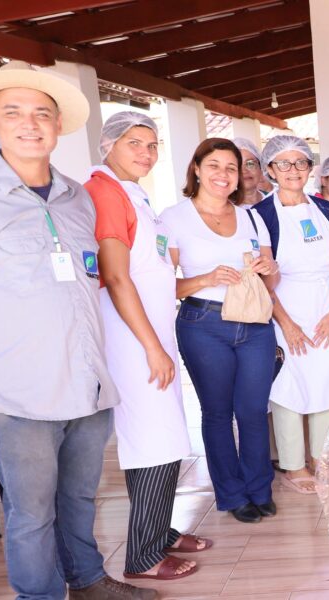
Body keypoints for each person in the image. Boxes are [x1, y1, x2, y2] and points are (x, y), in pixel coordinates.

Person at [0, 61, 156, 599]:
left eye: (42, 113)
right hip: (23, 390)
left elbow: (87, 278)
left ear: (58, 126)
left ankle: (86, 581)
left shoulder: (77, 196)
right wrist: (7, 346)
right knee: (31, 511)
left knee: (79, 498)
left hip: (88, 380)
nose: (29, 124)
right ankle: (38, 595)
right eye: (13, 112)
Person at [87, 111, 210, 582]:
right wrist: (152, 347)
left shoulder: (132, 193)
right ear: (108, 145)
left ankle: (159, 532)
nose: (146, 152)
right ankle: (143, 555)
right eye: (135, 143)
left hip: (151, 333)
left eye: (152, 144)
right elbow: (116, 277)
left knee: (166, 435)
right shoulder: (102, 191)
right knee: (153, 440)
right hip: (132, 337)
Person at [160, 138, 280, 524]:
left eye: (231, 167)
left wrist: (269, 271)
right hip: (203, 324)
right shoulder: (173, 218)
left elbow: (271, 283)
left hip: (255, 324)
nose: (223, 175)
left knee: (253, 411)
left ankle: (260, 489)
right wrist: (205, 278)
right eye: (214, 166)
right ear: (196, 168)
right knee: (217, 412)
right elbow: (161, 287)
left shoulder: (251, 217)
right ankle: (232, 494)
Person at [251, 135, 329, 495]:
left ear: (310, 167)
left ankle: (325, 457)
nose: (293, 171)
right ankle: (293, 465)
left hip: (326, 302)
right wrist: (287, 323)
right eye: (284, 164)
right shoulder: (260, 215)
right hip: (284, 307)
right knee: (288, 384)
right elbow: (262, 276)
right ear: (271, 170)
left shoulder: (326, 209)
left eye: (301, 163)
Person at [234, 137, 271, 206]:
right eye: (238, 165)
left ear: (260, 168)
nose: (244, 171)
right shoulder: (223, 206)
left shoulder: (274, 200)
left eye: (250, 163)